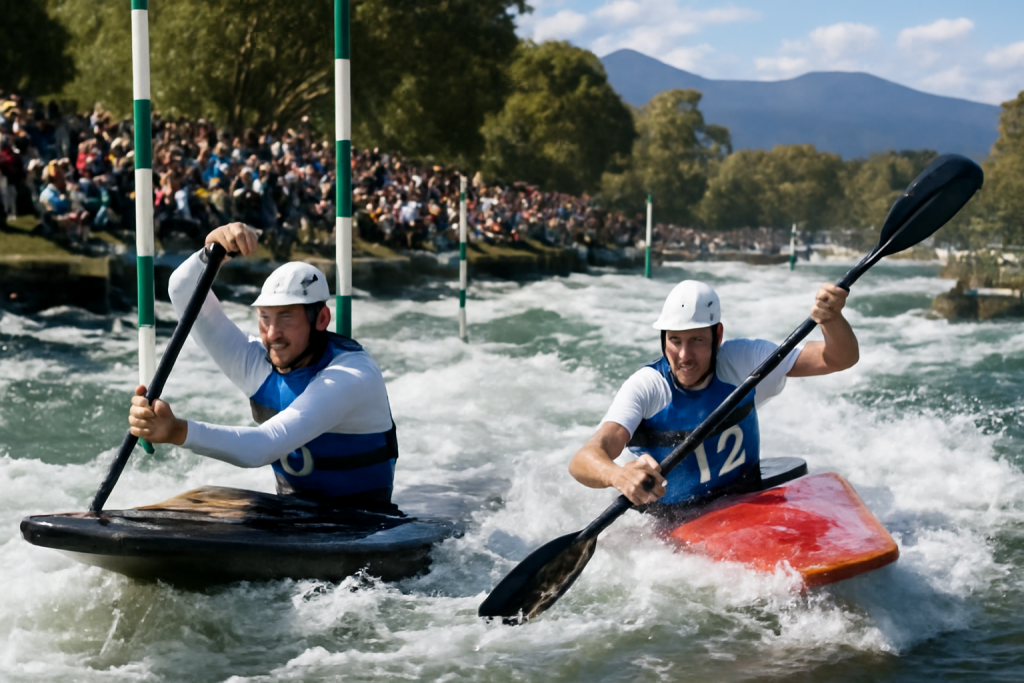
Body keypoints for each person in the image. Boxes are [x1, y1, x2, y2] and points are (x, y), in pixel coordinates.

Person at [127, 222, 400, 512]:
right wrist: (212, 252)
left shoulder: (351, 376)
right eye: (265, 318)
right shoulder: (257, 363)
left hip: (364, 522)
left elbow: (262, 446)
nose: (272, 334)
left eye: (286, 317)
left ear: (321, 320)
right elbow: (183, 291)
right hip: (293, 512)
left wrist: (176, 431)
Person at [568, 279, 859, 510]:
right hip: (671, 520)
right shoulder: (647, 387)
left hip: (745, 500)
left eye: (696, 340)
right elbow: (583, 459)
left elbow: (838, 358)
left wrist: (831, 320)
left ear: (717, 336)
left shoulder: (745, 361)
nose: (684, 355)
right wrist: (618, 476)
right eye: (674, 340)